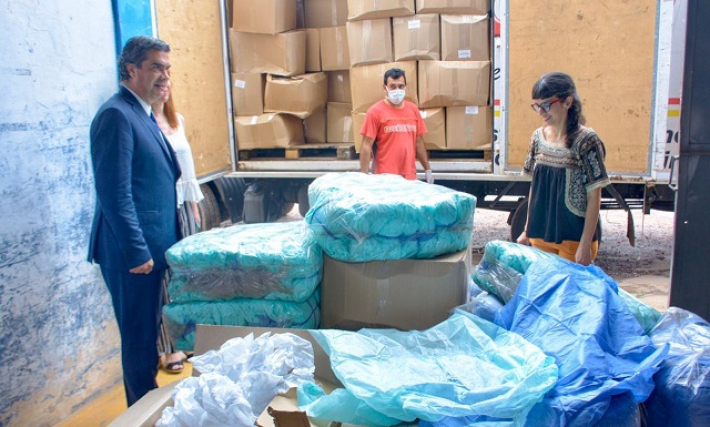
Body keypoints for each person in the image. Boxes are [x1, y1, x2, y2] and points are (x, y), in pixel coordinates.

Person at [88, 36, 181, 406]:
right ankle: (141, 413)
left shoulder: (142, 113)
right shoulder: (116, 115)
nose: (165, 76)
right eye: (156, 67)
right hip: (131, 254)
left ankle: (148, 406)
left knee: (148, 334)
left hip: (151, 249)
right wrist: (136, 250)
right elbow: (114, 192)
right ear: (131, 70)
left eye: (167, 68)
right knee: (139, 338)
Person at [516, 72, 610, 266]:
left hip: (574, 240)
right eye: (537, 106)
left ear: (567, 102)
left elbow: (594, 196)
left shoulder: (587, 140)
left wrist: (585, 244)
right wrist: (526, 230)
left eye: (546, 105)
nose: (540, 112)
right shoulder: (537, 138)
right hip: (539, 236)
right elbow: (535, 189)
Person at [152, 81, 204, 374]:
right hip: (163, 208)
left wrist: (194, 207)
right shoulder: (145, 124)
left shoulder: (177, 120)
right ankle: (169, 348)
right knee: (164, 281)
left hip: (185, 207)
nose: (165, 84)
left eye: (168, 77)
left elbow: (188, 167)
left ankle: (188, 336)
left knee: (187, 276)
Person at [359, 68, 434, 184]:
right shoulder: (374, 112)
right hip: (384, 178)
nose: (397, 90)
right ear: (385, 88)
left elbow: (419, 142)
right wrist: (364, 176)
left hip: (409, 177)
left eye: (400, 86)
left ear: (406, 87)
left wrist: (427, 170)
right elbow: (366, 146)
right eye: (393, 87)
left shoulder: (413, 110)